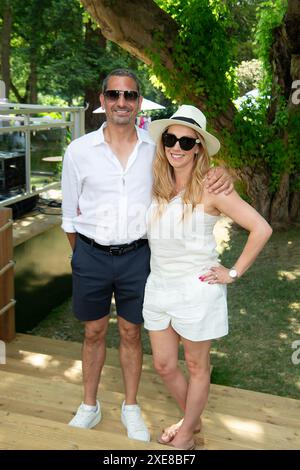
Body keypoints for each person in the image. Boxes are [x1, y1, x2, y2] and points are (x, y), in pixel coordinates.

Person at [61, 69, 233, 442]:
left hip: (138, 257)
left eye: (129, 95)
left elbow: (193, 164)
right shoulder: (77, 151)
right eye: (113, 94)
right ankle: (89, 406)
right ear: (102, 100)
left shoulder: (155, 149)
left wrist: (224, 176)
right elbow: (69, 215)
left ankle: (131, 407)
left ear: (138, 102)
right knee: (92, 332)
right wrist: (85, 257)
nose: (121, 102)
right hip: (89, 253)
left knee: (130, 331)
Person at [143, 105, 273, 449]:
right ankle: (193, 420)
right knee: (163, 364)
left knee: (197, 367)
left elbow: (261, 228)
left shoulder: (213, 187)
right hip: (157, 286)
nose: (177, 147)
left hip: (196, 290)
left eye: (187, 142)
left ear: (199, 146)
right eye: (171, 139)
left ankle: (186, 434)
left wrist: (232, 272)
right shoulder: (158, 182)